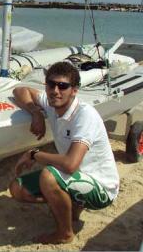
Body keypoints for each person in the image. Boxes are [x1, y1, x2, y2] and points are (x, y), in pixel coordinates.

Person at [9, 61, 119, 244]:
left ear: (74, 90)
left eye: (63, 86)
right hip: (74, 176)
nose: (55, 90)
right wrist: (36, 112)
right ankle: (71, 204)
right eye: (51, 84)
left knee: (48, 176)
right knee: (17, 189)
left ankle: (65, 233)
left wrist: (34, 154)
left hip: (101, 187)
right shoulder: (52, 102)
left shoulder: (84, 115)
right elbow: (20, 90)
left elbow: (70, 164)